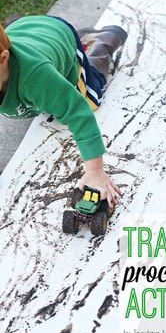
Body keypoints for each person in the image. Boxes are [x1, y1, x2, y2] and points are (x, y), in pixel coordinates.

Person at [0, 15, 128, 208]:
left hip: (58, 36)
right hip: (29, 33)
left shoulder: (37, 76)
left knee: (90, 97)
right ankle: (23, 24)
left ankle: (100, 41)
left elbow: (78, 113)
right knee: (47, 99)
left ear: (2, 59)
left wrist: (95, 170)